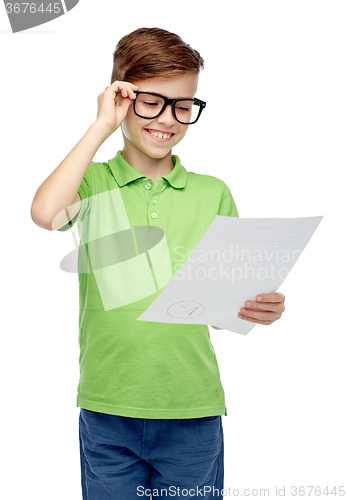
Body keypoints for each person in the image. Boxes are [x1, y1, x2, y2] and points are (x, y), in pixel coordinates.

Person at [31, 27, 285, 500]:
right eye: (151, 101)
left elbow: (224, 309)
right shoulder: (93, 182)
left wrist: (257, 306)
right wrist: (101, 126)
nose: (168, 118)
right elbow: (46, 213)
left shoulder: (213, 193)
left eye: (183, 105)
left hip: (192, 411)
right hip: (108, 409)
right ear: (121, 98)